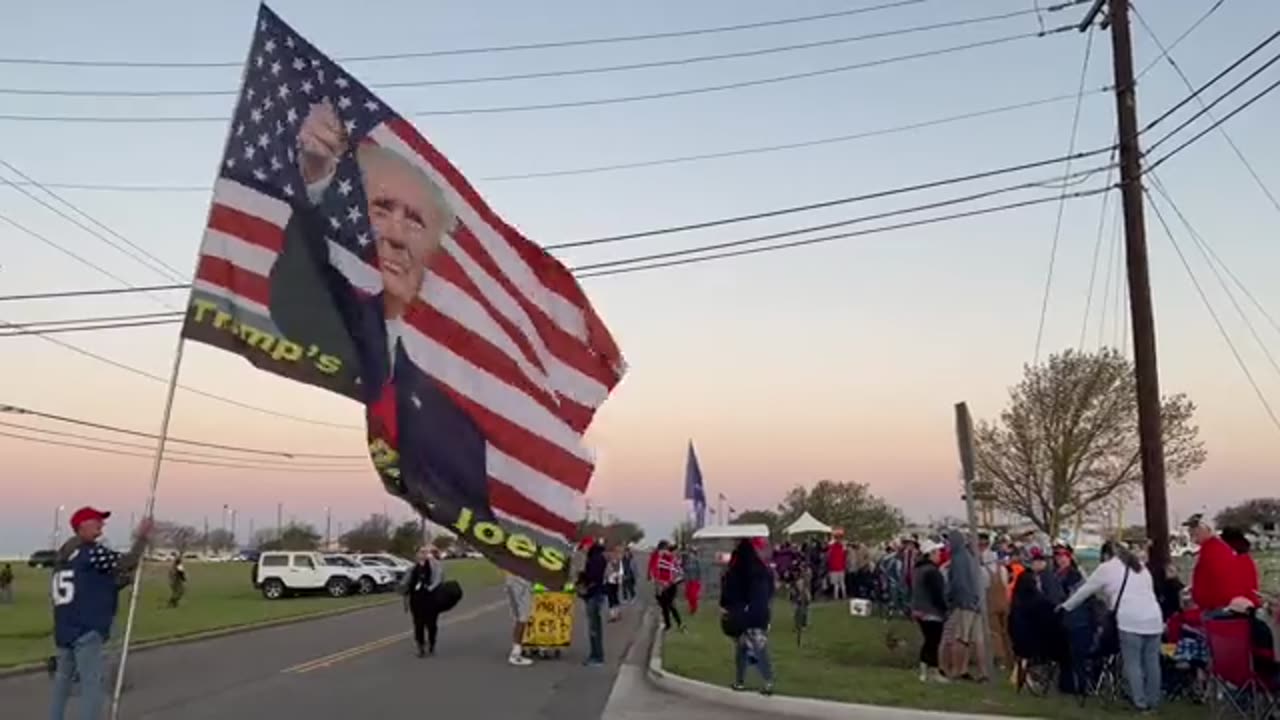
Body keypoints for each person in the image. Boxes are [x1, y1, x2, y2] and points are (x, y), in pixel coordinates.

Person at [50, 507, 152, 720]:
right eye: (96, 521)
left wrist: (124, 580)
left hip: (65, 628)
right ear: (82, 526)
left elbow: (93, 585)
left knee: (62, 684)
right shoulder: (91, 551)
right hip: (86, 628)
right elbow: (127, 561)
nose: (101, 525)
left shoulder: (65, 558)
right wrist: (142, 537)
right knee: (92, 686)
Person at [1059, 541, 1165, 713]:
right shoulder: (1140, 567)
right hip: (1153, 618)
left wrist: (1066, 606)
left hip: (1130, 619)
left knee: (1133, 663)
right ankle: (1154, 701)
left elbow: (1086, 590)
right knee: (1152, 662)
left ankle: (1140, 702)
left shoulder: (1107, 568)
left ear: (1106, 555)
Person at [721, 538, 775, 695]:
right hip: (760, 613)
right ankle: (743, 681)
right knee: (749, 648)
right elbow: (770, 590)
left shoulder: (737, 570)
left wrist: (728, 606)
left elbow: (730, 591)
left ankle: (764, 681)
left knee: (750, 649)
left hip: (743, 614)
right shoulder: (762, 570)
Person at [940, 530, 986, 681]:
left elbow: (958, 583)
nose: (947, 545)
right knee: (977, 640)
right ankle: (982, 673)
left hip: (963, 602)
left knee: (960, 638)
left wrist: (950, 600)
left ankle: (957, 671)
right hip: (977, 603)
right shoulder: (970, 557)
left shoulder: (958, 558)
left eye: (948, 541)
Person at [911, 540, 948, 683]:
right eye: (937, 552)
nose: (940, 555)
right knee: (933, 642)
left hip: (919, 610)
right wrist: (945, 608)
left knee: (928, 641)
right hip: (932, 612)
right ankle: (933, 671)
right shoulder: (932, 572)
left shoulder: (918, 570)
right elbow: (937, 594)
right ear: (931, 554)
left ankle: (923, 671)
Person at [402, 547, 444, 657]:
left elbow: (439, 579)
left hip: (431, 599)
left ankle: (431, 643)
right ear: (416, 555)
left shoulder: (434, 566)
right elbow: (405, 583)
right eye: (421, 552)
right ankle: (420, 646)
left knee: (431, 624)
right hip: (416, 600)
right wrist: (403, 589)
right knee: (418, 624)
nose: (424, 554)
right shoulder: (412, 568)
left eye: (426, 552)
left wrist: (430, 588)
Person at [577, 541, 607, 666]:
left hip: (594, 595)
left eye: (583, 548)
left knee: (594, 627)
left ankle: (597, 656)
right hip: (596, 594)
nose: (583, 551)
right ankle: (596, 654)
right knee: (595, 626)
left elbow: (593, 577)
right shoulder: (598, 557)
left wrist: (582, 579)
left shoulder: (596, 559)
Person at [652, 541, 685, 632]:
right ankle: (669, 624)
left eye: (662, 551)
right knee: (664, 605)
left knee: (670, 605)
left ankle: (677, 623)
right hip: (663, 586)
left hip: (671, 586)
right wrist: (659, 583)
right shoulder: (661, 559)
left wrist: (671, 582)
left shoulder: (672, 560)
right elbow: (658, 573)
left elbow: (679, 573)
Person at [505, 573, 535, 666]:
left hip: (512, 581)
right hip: (522, 583)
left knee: (518, 617)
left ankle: (518, 647)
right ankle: (515, 654)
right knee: (522, 618)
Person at [681, 545, 702, 615]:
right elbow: (683, 569)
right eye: (690, 553)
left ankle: (694, 608)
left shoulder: (697, 561)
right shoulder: (686, 561)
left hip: (695, 580)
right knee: (689, 595)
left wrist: (699, 579)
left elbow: (699, 570)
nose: (691, 554)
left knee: (693, 595)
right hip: (688, 580)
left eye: (692, 553)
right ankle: (691, 608)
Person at [826, 536, 847, 600]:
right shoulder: (842, 548)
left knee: (836, 584)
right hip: (841, 568)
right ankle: (844, 595)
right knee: (842, 583)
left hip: (834, 568)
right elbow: (845, 556)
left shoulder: (831, 548)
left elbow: (829, 558)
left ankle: (836, 597)